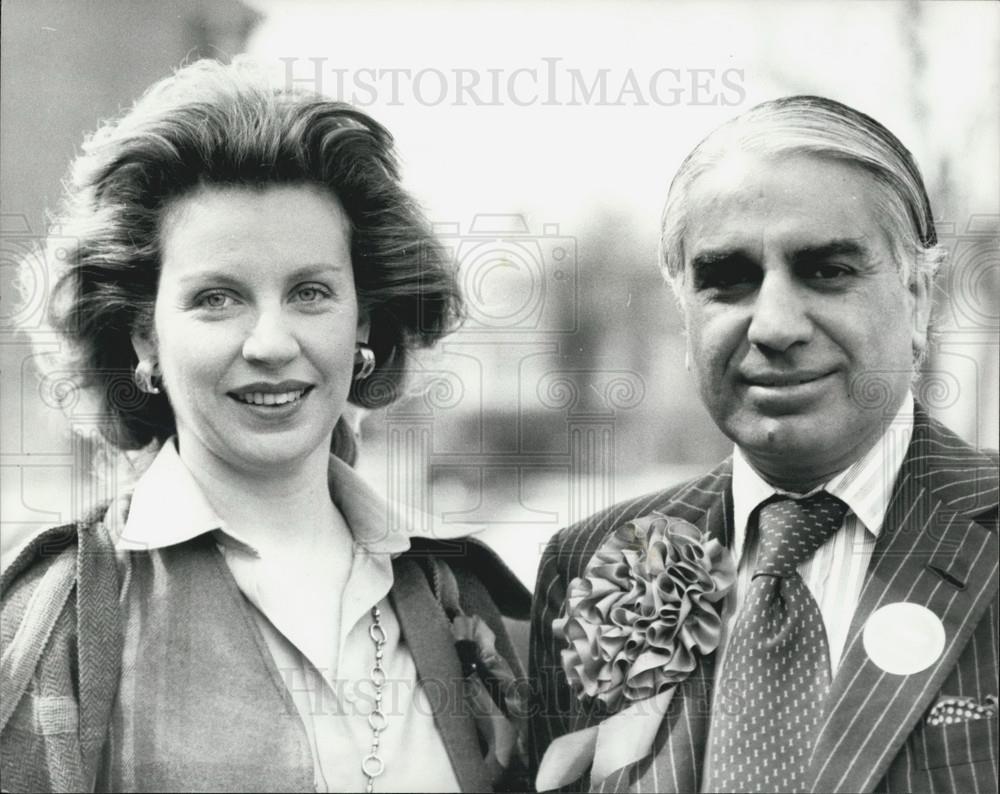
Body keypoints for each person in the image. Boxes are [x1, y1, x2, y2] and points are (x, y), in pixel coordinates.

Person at [1, 58, 530, 793]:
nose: (273, 343)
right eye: (218, 298)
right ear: (143, 335)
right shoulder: (67, 613)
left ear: (364, 318)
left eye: (311, 292)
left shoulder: (457, 596)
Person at [530, 95, 998, 793]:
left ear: (920, 300)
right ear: (684, 311)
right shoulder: (590, 562)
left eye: (828, 271)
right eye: (727, 279)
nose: (774, 324)